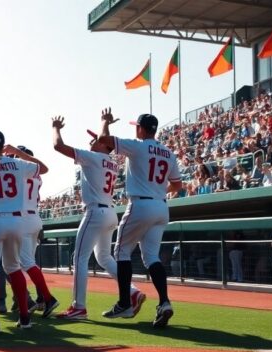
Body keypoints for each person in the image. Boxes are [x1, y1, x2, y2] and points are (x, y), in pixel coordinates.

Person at [51, 109, 144, 320]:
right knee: (103, 257)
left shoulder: (93, 157)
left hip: (95, 211)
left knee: (79, 258)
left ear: (105, 146)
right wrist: (107, 125)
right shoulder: (111, 161)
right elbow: (106, 142)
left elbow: (58, 146)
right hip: (110, 213)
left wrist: (55, 127)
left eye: (95, 139)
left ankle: (78, 307)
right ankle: (132, 292)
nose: (92, 140)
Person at [103, 112, 182, 328]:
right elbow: (177, 186)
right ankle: (164, 302)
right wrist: (158, 191)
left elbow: (104, 140)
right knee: (151, 257)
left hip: (141, 204)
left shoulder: (138, 146)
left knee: (121, 252)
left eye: (136, 127)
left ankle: (124, 303)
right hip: (161, 206)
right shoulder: (168, 152)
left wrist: (105, 123)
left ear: (141, 129)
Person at [0, 132, 51, 332]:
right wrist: (17, 152)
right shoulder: (17, 163)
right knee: (14, 267)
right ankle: (25, 318)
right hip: (17, 220)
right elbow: (44, 168)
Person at [12, 145, 60, 316]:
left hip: (23, 219)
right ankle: (34, 299)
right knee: (27, 262)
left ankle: (47, 298)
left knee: (23, 263)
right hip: (35, 218)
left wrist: (18, 156)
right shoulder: (37, 176)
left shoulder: (20, 171)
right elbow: (38, 166)